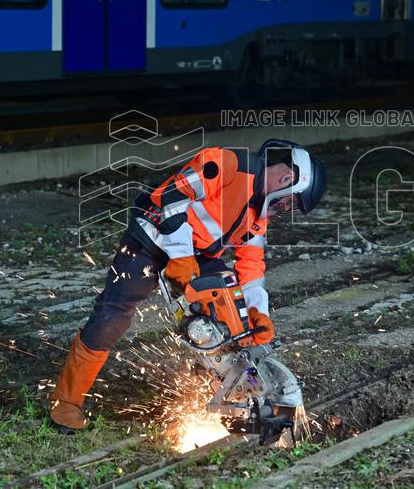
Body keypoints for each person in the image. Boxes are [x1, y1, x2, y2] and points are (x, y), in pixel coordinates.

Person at [48, 139, 327, 432]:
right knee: (112, 315)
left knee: (230, 313)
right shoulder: (228, 164)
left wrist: (257, 313)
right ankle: (65, 404)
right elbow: (171, 197)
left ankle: (237, 393)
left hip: (196, 254)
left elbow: (251, 265)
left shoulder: (259, 215)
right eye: (292, 201)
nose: (286, 208)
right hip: (150, 237)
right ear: (287, 179)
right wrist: (180, 258)